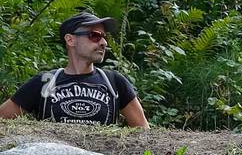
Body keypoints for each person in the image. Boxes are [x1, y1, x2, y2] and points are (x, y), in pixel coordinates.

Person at [0, 11, 149, 128]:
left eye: (104, 37)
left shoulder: (114, 82)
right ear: (70, 40)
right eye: (95, 36)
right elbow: (3, 118)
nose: (104, 42)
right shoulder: (46, 81)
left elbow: (143, 131)